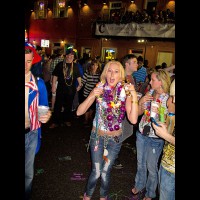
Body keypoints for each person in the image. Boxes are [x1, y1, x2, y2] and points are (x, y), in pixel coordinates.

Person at [76, 60, 138, 200]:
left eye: (116, 72)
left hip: (115, 139)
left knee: (106, 171)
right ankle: (88, 195)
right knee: (97, 171)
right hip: (97, 137)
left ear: (120, 75)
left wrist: (133, 95)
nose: (112, 75)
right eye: (109, 71)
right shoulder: (99, 88)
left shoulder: (125, 92)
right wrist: (92, 94)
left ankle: (104, 196)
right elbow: (79, 112)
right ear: (105, 73)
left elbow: (133, 120)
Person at [131, 69, 171, 200]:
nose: (150, 81)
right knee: (140, 163)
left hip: (156, 138)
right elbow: (138, 114)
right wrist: (141, 101)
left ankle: (150, 193)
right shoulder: (150, 92)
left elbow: (170, 123)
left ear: (161, 82)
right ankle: (139, 185)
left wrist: (161, 114)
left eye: (153, 80)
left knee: (151, 167)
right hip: (142, 133)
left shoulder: (169, 99)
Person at [25, 42, 52, 200]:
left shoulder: (38, 84)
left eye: (28, 61)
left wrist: (46, 116)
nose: (25, 65)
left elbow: (45, 108)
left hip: (32, 133)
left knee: (28, 174)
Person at [113, 54, 138, 169]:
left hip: (128, 110)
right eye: (134, 62)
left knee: (128, 132)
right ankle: (112, 155)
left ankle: (111, 149)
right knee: (120, 134)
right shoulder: (121, 77)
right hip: (121, 112)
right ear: (127, 64)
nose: (137, 64)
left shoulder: (132, 78)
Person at [152, 79, 175, 200]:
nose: (172, 100)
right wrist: (165, 126)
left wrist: (166, 136)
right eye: (172, 96)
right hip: (166, 165)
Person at [49, 44, 82, 128]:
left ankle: (66, 120)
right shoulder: (60, 65)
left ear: (73, 56)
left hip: (71, 89)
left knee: (68, 105)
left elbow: (78, 76)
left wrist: (80, 84)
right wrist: (53, 86)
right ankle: (55, 121)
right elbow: (55, 75)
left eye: (72, 55)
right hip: (60, 88)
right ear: (66, 55)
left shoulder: (75, 66)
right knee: (57, 105)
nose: (70, 56)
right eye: (68, 55)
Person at [81, 59, 101, 126]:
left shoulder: (99, 74)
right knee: (87, 106)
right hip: (87, 92)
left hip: (95, 93)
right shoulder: (87, 72)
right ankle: (86, 119)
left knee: (92, 107)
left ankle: (90, 118)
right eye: (93, 65)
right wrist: (79, 86)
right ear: (91, 66)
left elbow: (101, 83)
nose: (95, 66)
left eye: (96, 65)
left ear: (98, 66)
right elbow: (83, 81)